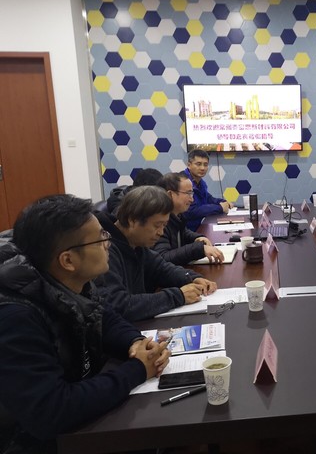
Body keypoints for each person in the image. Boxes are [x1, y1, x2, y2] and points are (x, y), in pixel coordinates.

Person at [0, 195, 170, 453]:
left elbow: (104, 315)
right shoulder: (16, 318)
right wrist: (137, 369)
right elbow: (51, 412)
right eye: (100, 239)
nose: (108, 243)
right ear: (68, 260)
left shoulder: (66, 280)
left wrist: (135, 342)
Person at [95, 185, 217, 321]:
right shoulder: (104, 251)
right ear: (132, 220)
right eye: (157, 225)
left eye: (164, 225)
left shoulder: (136, 243)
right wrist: (179, 296)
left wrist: (192, 278)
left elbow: (161, 268)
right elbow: (119, 305)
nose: (161, 232)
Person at [155, 172, 225, 265]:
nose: (192, 200)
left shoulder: (177, 216)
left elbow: (183, 232)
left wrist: (197, 237)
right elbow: (163, 258)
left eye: (192, 193)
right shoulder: (158, 222)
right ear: (170, 194)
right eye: (188, 193)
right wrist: (199, 249)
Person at [182, 149, 234, 231]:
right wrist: (220, 208)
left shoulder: (200, 182)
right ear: (189, 165)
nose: (202, 168)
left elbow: (208, 198)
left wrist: (224, 202)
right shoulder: (182, 182)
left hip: (200, 226)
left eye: (205, 165)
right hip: (187, 231)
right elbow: (191, 211)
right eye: (198, 164)